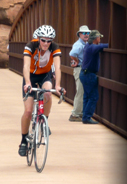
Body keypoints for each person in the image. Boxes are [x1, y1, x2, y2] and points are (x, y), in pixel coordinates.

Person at [19, 25, 66, 156]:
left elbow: (57, 67)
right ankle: (23, 140)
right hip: (31, 76)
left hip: (45, 75)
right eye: (43, 40)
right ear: (38, 39)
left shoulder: (54, 48)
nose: (46, 43)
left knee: (48, 93)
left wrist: (57, 85)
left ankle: (44, 119)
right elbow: (26, 65)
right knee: (28, 111)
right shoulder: (31, 46)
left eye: (49, 40)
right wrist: (27, 83)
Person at [79, 30, 108, 124]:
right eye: (99, 37)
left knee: (87, 96)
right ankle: (87, 117)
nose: (100, 39)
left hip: (84, 73)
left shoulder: (88, 46)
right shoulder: (92, 47)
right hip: (89, 75)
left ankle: (85, 116)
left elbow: (99, 46)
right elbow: (103, 46)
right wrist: (110, 44)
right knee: (94, 96)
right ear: (96, 38)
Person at [68, 25, 90, 122]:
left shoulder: (85, 43)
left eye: (88, 33)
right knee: (80, 91)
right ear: (80, 34)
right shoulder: (79, 44)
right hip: (79, 69)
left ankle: (79, 113)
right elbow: (72, 54)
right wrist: (77, 61)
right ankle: (75, 114)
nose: (86, 35)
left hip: (82, 69)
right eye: (84, 33)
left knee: (82, 91)